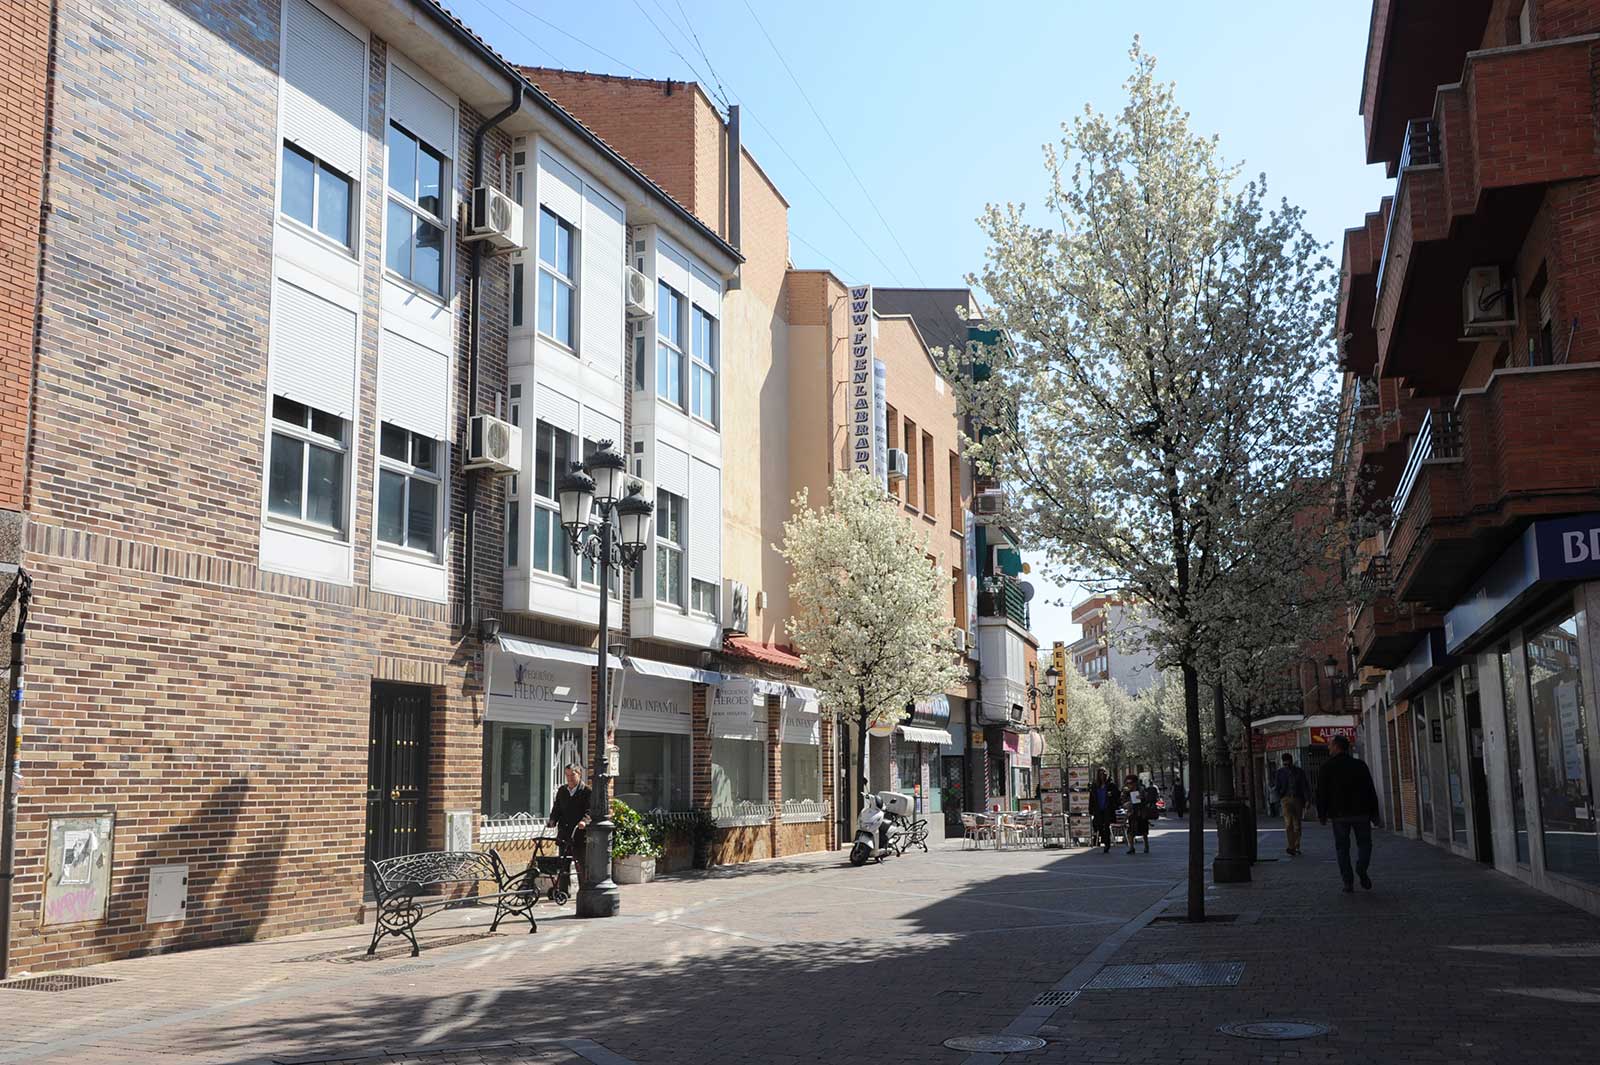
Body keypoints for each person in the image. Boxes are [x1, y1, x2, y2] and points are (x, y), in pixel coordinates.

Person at [1315, 734, 1382, 892]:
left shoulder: (1327, 767)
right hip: (1361, 813)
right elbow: (1370, 790)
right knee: (1365, 844)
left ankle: (1348, 881)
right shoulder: (1360, 765)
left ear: (1337, 747)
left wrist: (1322, 814)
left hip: (1339, 815)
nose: (1328, 748)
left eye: (1330, 745)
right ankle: (1361, 867)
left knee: (1342, 848)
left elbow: (1321, 793)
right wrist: (1374, 813)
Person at [547, 764, 593, 893]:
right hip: (564, 833)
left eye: (572, 775)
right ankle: (563, 891)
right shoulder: (562, 791)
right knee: (563, 864)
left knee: (581, 864)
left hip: (578, 834)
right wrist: (552, 820)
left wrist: (584, 821)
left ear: (579, 774)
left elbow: (590, 811)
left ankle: (584, 890)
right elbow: (557, 809)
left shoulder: (587, 791)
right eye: (567, 775)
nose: (570, 778)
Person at [1274, 753, 1311, 856]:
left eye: (1288, 762)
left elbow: (1304, 786)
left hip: (1297, 799)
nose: (1286, 765)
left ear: (1291, 761)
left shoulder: (1299, 772)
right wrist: (1280, 797)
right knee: (1288, 824)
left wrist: (1307, 800)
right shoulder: (1280, 772)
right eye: (1284, 763)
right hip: (1285, 799)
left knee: (1297, 824)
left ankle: (1296, 845)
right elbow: (1277, 786)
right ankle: (1291, 846)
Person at [1089, 770, 1118, 853]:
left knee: (1107, 826)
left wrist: (1111, 794)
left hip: (1107, 809)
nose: (1102, 776)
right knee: (1099, 826)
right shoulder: (1095, 786)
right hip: (1098, 809)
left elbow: (1117, 794)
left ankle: (1107, 844)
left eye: (1104, 774)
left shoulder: (1110, 785)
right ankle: (1104, 840)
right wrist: (1090, 810)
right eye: (1101, 774)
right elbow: (1092, 798)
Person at [1122, 774, 1152, 854]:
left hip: (1141, 813)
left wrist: (1142, 798)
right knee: (1130, 831)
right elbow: (1123, 801)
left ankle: (1146, 846)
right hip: (1132, 813)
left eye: (1130, 783)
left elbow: (1147, 800)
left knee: (1144, 831)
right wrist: (1126, 803)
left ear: (1135, 782)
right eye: (1128, 783)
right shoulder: (1127, 791)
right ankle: (1131, 847)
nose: (1129, 784)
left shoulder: (1141, 789)